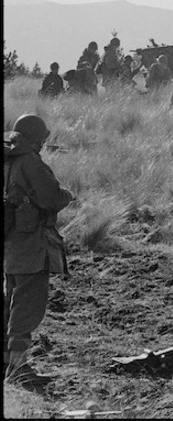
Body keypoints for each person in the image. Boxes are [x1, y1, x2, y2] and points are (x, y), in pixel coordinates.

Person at [4, 114, 74, 385]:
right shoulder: (30, 161)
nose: (44, 144)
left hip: (12, 243)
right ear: (35, 138)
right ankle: (19, 369)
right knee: (28, 305)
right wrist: (67, 195)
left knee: (11, 301)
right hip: (31, 244)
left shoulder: (9, 159)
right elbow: (50, 198)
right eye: (42, 139)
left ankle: (9, 363)